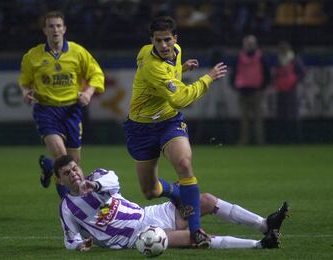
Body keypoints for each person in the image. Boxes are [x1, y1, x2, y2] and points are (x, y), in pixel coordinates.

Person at [122, 16, 227, 247]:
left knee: (184, 164)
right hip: (140, 128)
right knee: (150, 190)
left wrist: (180, 68)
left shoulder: (176, 51)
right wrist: (208, 78)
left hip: (169, 121)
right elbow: (180, 98)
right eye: (158, 41)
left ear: (175, 38)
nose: (163, 45)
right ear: (151, 41)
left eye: (167, 40)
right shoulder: (151, 65)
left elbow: (171, 88)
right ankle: (177, 193)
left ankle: (195, 229)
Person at [54, 155, 289, 251]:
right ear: (60, 180)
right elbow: (70, 239)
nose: (73, 174)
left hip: (148, 214)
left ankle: (265, 224)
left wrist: (93, 186)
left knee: (204, 200)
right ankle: (260, 244)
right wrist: (79, 245)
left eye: (74, 168)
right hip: (136, 236)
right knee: (195, 237)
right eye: (67, 173)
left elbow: (113, 181)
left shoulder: (97, 176)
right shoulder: (67, 208)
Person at [19, 11, 105, 198]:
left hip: (71, 110)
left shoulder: (78, 52)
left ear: (64, 29)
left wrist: (89, 93)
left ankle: (50, 167)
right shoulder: (33, 56)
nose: (55, 29)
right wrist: (26, 92)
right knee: (63, 159)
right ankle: (70, 207)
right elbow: (25, 82)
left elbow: (96, 74)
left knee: (73, 163)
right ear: (44, 30)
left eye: (58, 26)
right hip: (46, 110)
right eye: (51, 26)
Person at [230, 34, 271, 145]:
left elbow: (266, 73)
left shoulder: (242, 57)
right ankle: (248, 141)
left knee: (255, 119)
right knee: (246, 120)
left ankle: (257, 141)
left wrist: (263, 87)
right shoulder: (260, 56)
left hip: (255, 91)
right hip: (245, 91)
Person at [274, 41, 306, 143]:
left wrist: (294, 80)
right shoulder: (279, 60)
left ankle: (295, 139)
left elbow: (302, 73)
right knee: (282, 115)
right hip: (281, 90)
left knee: (292, 115)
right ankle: (284, 139)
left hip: (291, 91)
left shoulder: (294, 60)